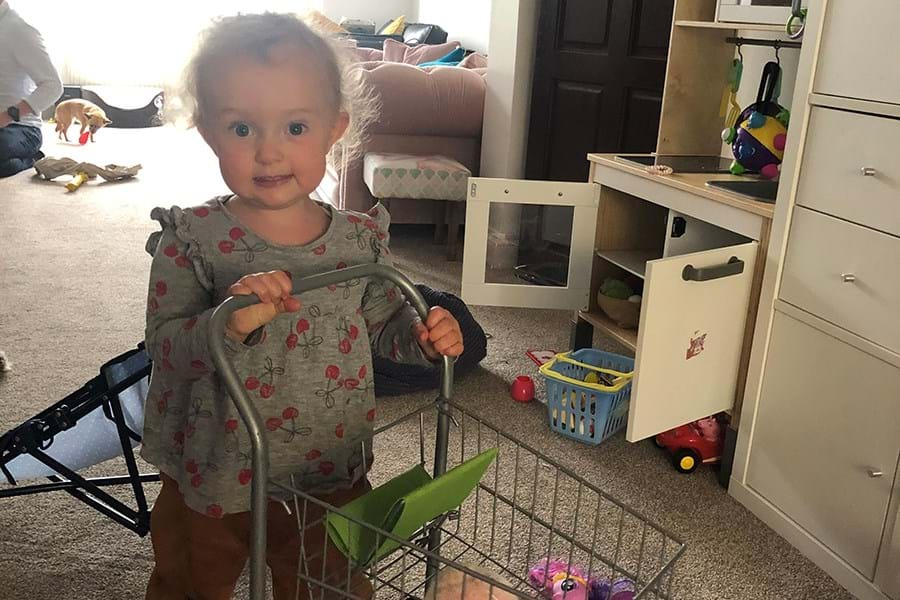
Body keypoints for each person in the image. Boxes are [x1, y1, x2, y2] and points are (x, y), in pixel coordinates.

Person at [142, 12, 464, 600]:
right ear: (209, 131)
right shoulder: (192, 239)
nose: (268, 152)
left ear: (335, 128)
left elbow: (385, 322)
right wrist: (227, 322)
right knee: (191, 579)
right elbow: (164, 347)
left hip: (328, 462)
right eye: (241, 130)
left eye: (294, 127)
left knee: (328, 582)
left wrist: (422, 336)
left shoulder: (359, 239)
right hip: (216, 465)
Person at [0, 0, 62, 178]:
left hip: (20, 127)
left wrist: (5, 117)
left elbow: (52, 86)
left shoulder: (18, 29)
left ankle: (33, 157)